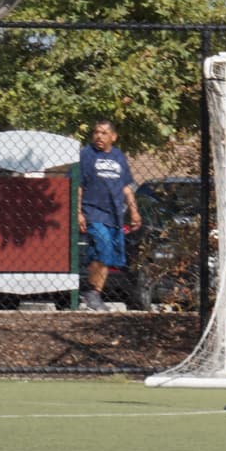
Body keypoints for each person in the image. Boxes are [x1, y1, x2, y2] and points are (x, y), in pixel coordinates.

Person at [77, 120, 141, 312]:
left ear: (113, 137)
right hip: (93, 211)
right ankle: (93, 293)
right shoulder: (86, 155)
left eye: (104, 133)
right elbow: (79, 186)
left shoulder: (118, 156)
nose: (99, 136)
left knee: (107, 255)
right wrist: (78, 212)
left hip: (115, 214)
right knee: (103, 247)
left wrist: (134, 210)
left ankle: (93, 293)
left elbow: (126, 187)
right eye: (96, 132)